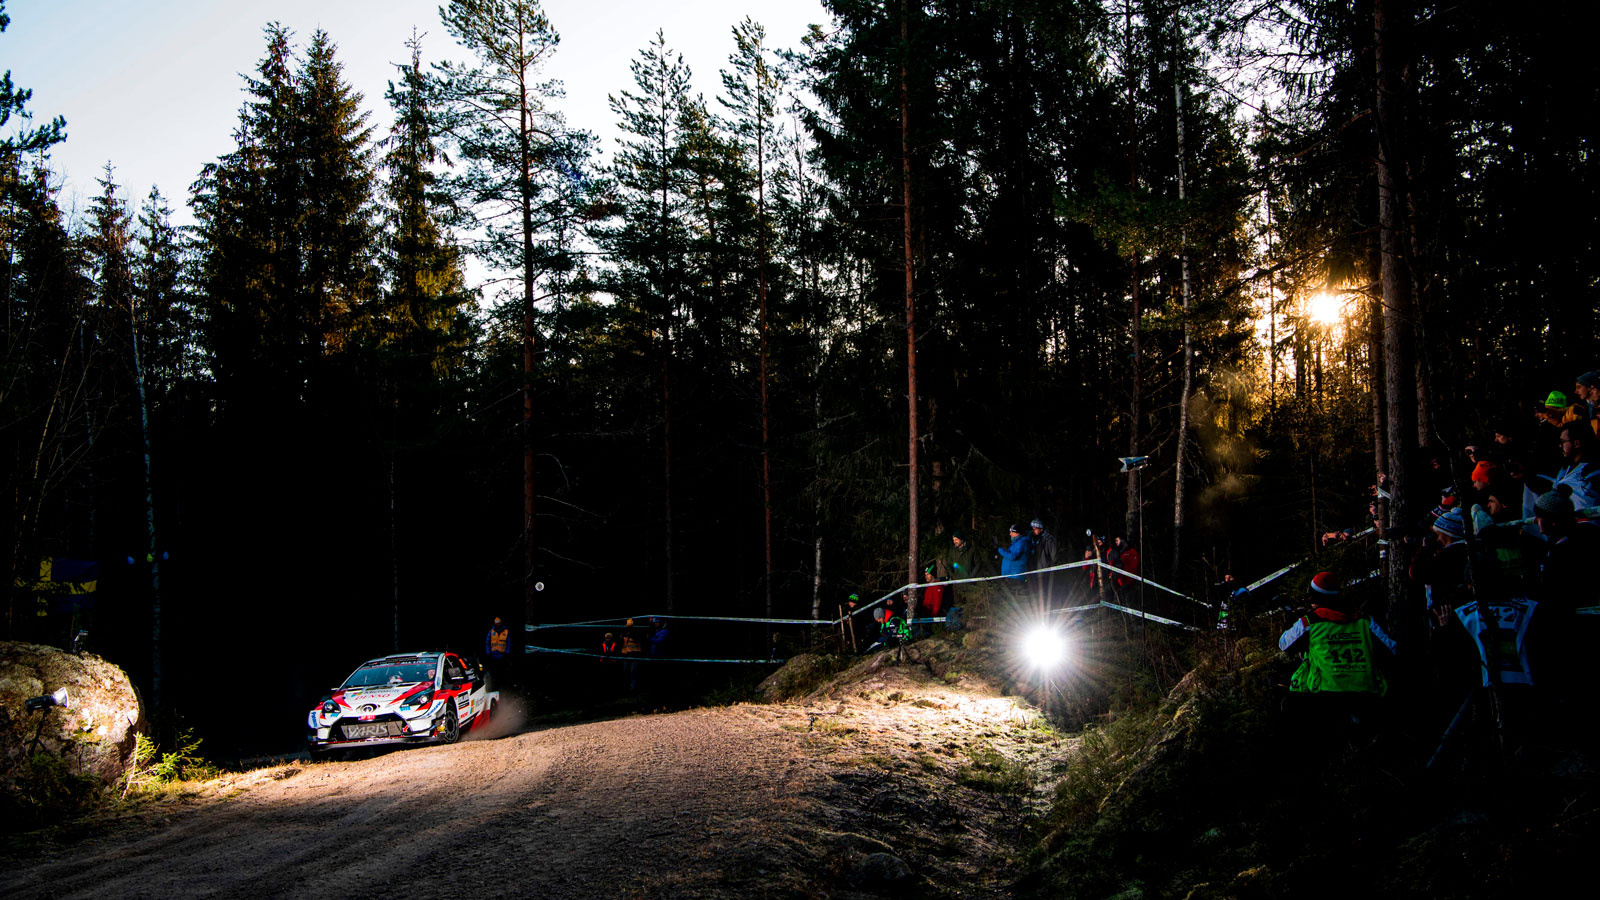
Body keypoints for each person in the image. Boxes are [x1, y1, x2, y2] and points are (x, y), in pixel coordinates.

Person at [1278, 572, 1397, 738]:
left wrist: (1291, 621)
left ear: (1314, 597)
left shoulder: (1309, 622)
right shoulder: (1365, 620)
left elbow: (1284, 644)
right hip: (1367, 694)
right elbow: (1392, 650)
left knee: (1288, 702)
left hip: (1326, 696)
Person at [1030, 519, 1061, 605]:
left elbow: (1054, 556)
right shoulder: (1035, 540)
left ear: (1041, 529)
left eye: (1035, 528)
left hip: (1046, 573)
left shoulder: (1048, 539)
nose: (1033, 531)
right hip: (1037, 572)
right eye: (1032, 528)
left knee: (1048, 596)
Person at [485, 616, 512, 687]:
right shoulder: (491, 631)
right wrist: (488, 652)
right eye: (496, 623)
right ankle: (494, 683)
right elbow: (487, 642)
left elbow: (508, 642)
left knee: (502, 670)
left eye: (499, 623)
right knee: (494, 671)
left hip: (502, 654)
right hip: (493, 654)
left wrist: (507, 652)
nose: (498, 625)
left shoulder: (506, 632)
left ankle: (502, 683)